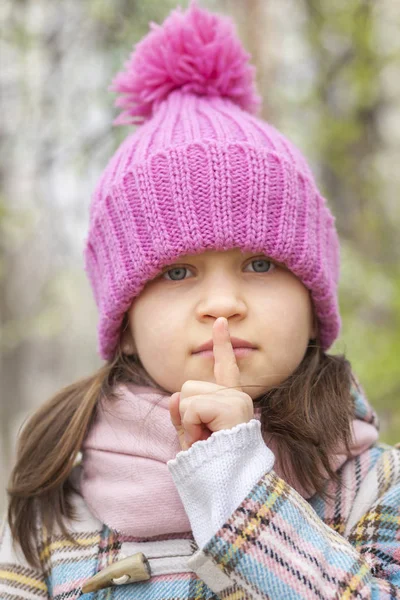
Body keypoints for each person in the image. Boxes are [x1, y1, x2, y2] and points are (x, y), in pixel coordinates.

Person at [1, 2, 399, 598]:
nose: (222, 303)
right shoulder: (55, 507)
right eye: (179, 271)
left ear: (315, 306)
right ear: (127, 323)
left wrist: (238, 486)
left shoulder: (375, 484)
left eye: (260, 264)